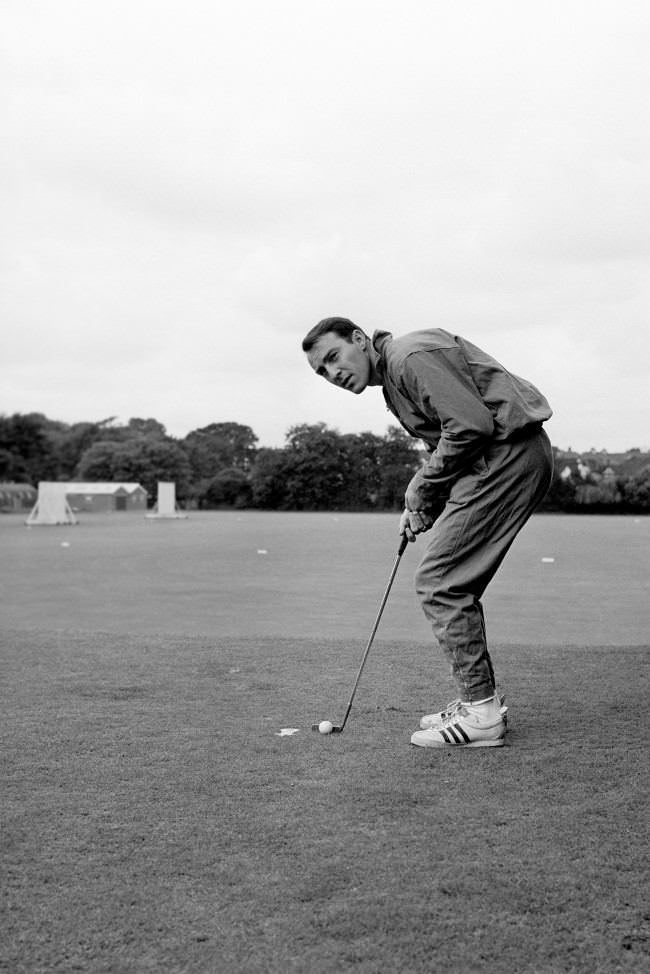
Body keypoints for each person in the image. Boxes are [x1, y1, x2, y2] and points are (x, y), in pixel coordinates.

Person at [302, 317, 553, 748]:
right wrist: (424, 504)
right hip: (500, 460)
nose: (332, 374)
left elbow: (470, 426)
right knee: (449, 580)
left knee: (440, 582)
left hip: (507, 457)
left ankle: (482, 714)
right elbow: (451, 444)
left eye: (333, 357)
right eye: (322, 372)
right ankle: (479, 701)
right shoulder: (393, 381)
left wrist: (420, 486)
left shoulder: (407, 356)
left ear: (359, 340)